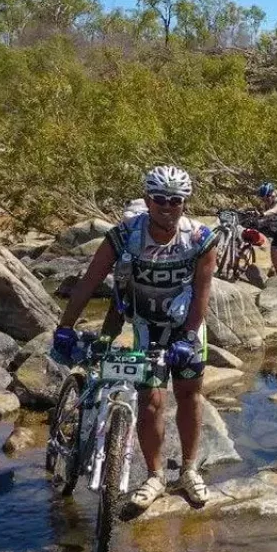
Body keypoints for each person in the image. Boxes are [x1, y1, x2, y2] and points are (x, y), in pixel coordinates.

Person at [50, 165, 218, 510]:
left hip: (186, 326)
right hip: (146, 327)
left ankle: (188, 470)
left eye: (175, 200)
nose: (167, 207)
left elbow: (203, 293)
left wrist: (189, 337)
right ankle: (155, 476)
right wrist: (64, 327)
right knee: (151, 401)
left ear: (185, 203)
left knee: (189, 395)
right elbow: (89, 282)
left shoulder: (200, 238)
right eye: (160, 200)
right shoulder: (125, 234)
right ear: (148, 200)